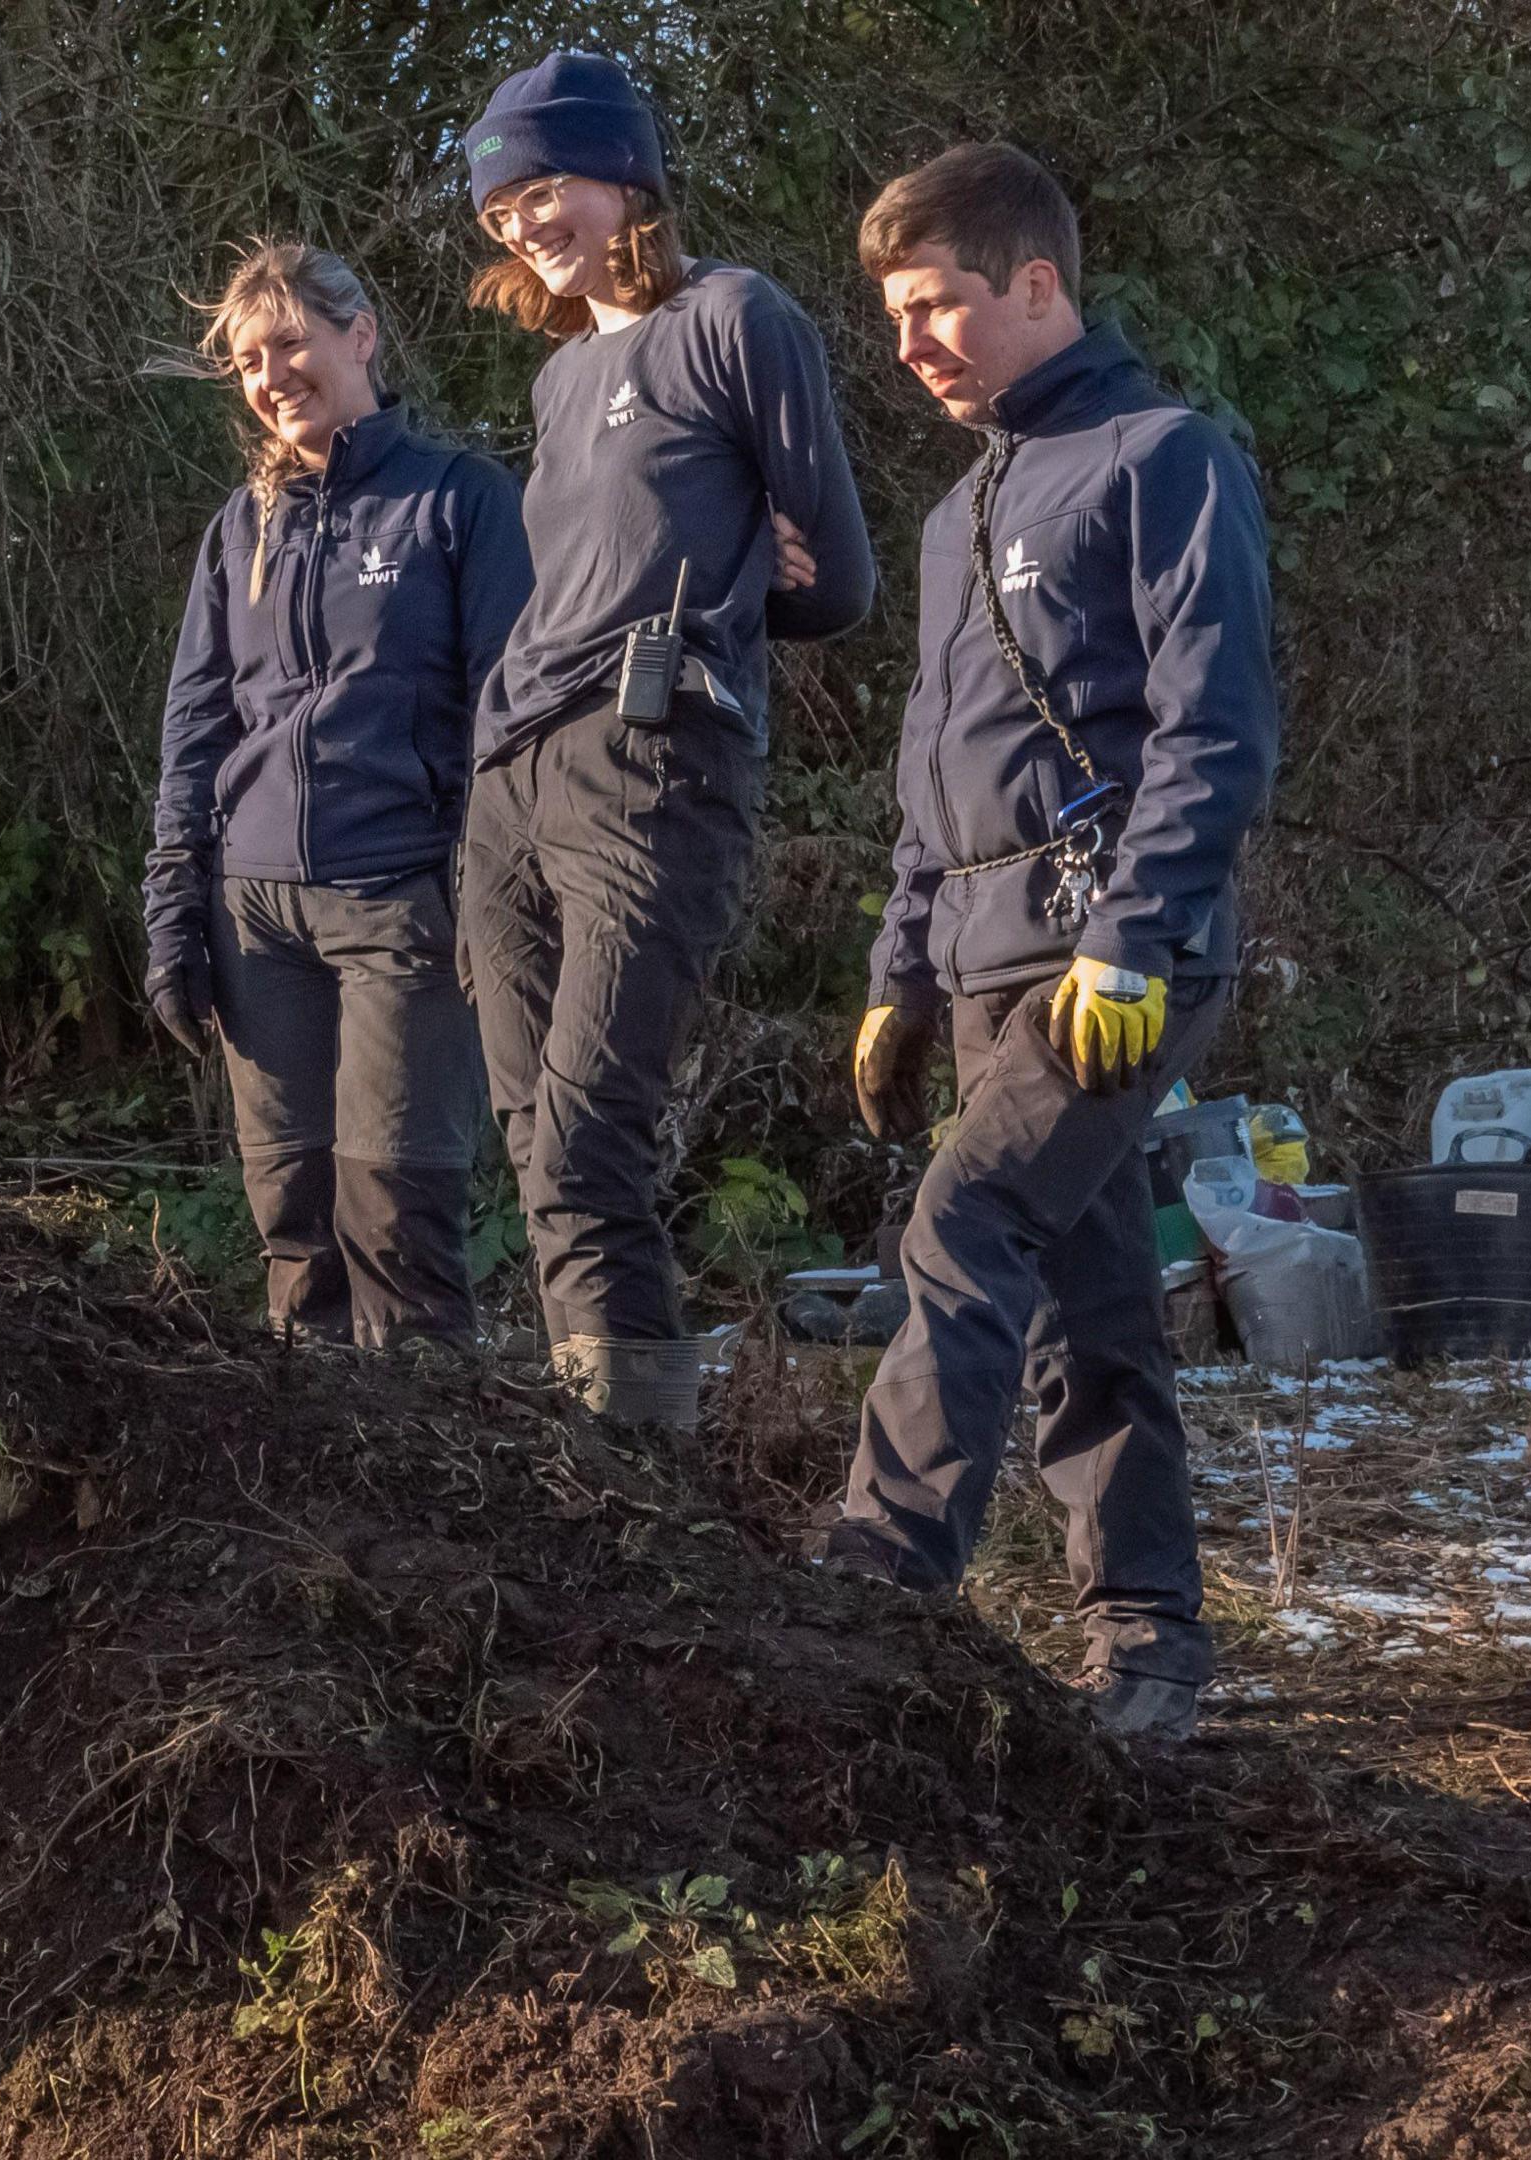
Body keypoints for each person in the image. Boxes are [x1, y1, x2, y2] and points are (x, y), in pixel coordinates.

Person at [818, 145, 1279, 1742]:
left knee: (966, 1220)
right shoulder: (959, 513)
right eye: (893, 319)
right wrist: (897, 976)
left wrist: (1137, 941)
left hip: (1117, 954)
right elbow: (930, 776)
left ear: (1036, 285)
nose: (911, 345)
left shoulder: (1164, 457)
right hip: (987, 954)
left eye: (936, 306)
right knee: (1094, 1308)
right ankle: (1149, 1645)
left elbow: (1215, 731)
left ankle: (876, 1576)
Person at [452, 51, 877, 1422]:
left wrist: (750, 581)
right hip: (512, 773)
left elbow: (840, 577)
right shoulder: (561, 383)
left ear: (624, 174)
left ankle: (646, 1473)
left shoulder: (735, 318)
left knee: (588, 1134)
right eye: (503, 203)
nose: (525, 221)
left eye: (547, 185)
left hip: (652, 756)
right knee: (533, 1142)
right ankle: (604, 1462)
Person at [143, 239, 531, 1347]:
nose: (269, 378)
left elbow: (506, 721)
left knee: (398, 1224)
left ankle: (439, 1507)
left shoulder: (460, 502)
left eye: (289, 345)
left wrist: (482, 890)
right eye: (248, 362)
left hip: (401, 904)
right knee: (296, 1233)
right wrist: (173, 907)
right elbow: (196, 727)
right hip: (253, 916)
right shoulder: (241, 527)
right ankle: (315, 1506)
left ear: (360, 337)